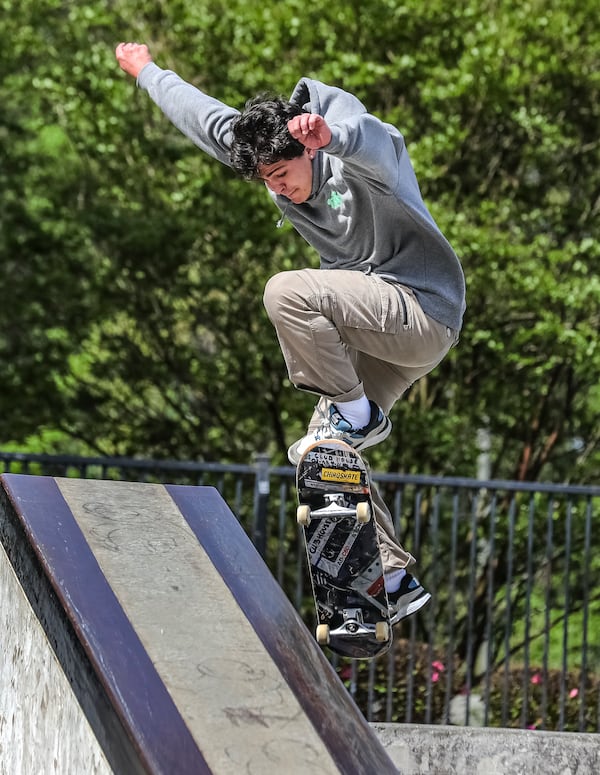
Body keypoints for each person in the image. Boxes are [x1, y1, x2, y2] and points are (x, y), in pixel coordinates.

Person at [115, 42, 466, 625]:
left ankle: (357, 413)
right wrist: (147, 71)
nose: (279, 189)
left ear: (305, 149)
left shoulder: (357, 160)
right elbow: (203, 118)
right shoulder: (268, 155)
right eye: (266, 182)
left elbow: (380, 141)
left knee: (287, 291)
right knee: (323, 458)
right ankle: (393, 578)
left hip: (420, 309)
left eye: (283, 175)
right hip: (378, 334)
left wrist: (331, 137)